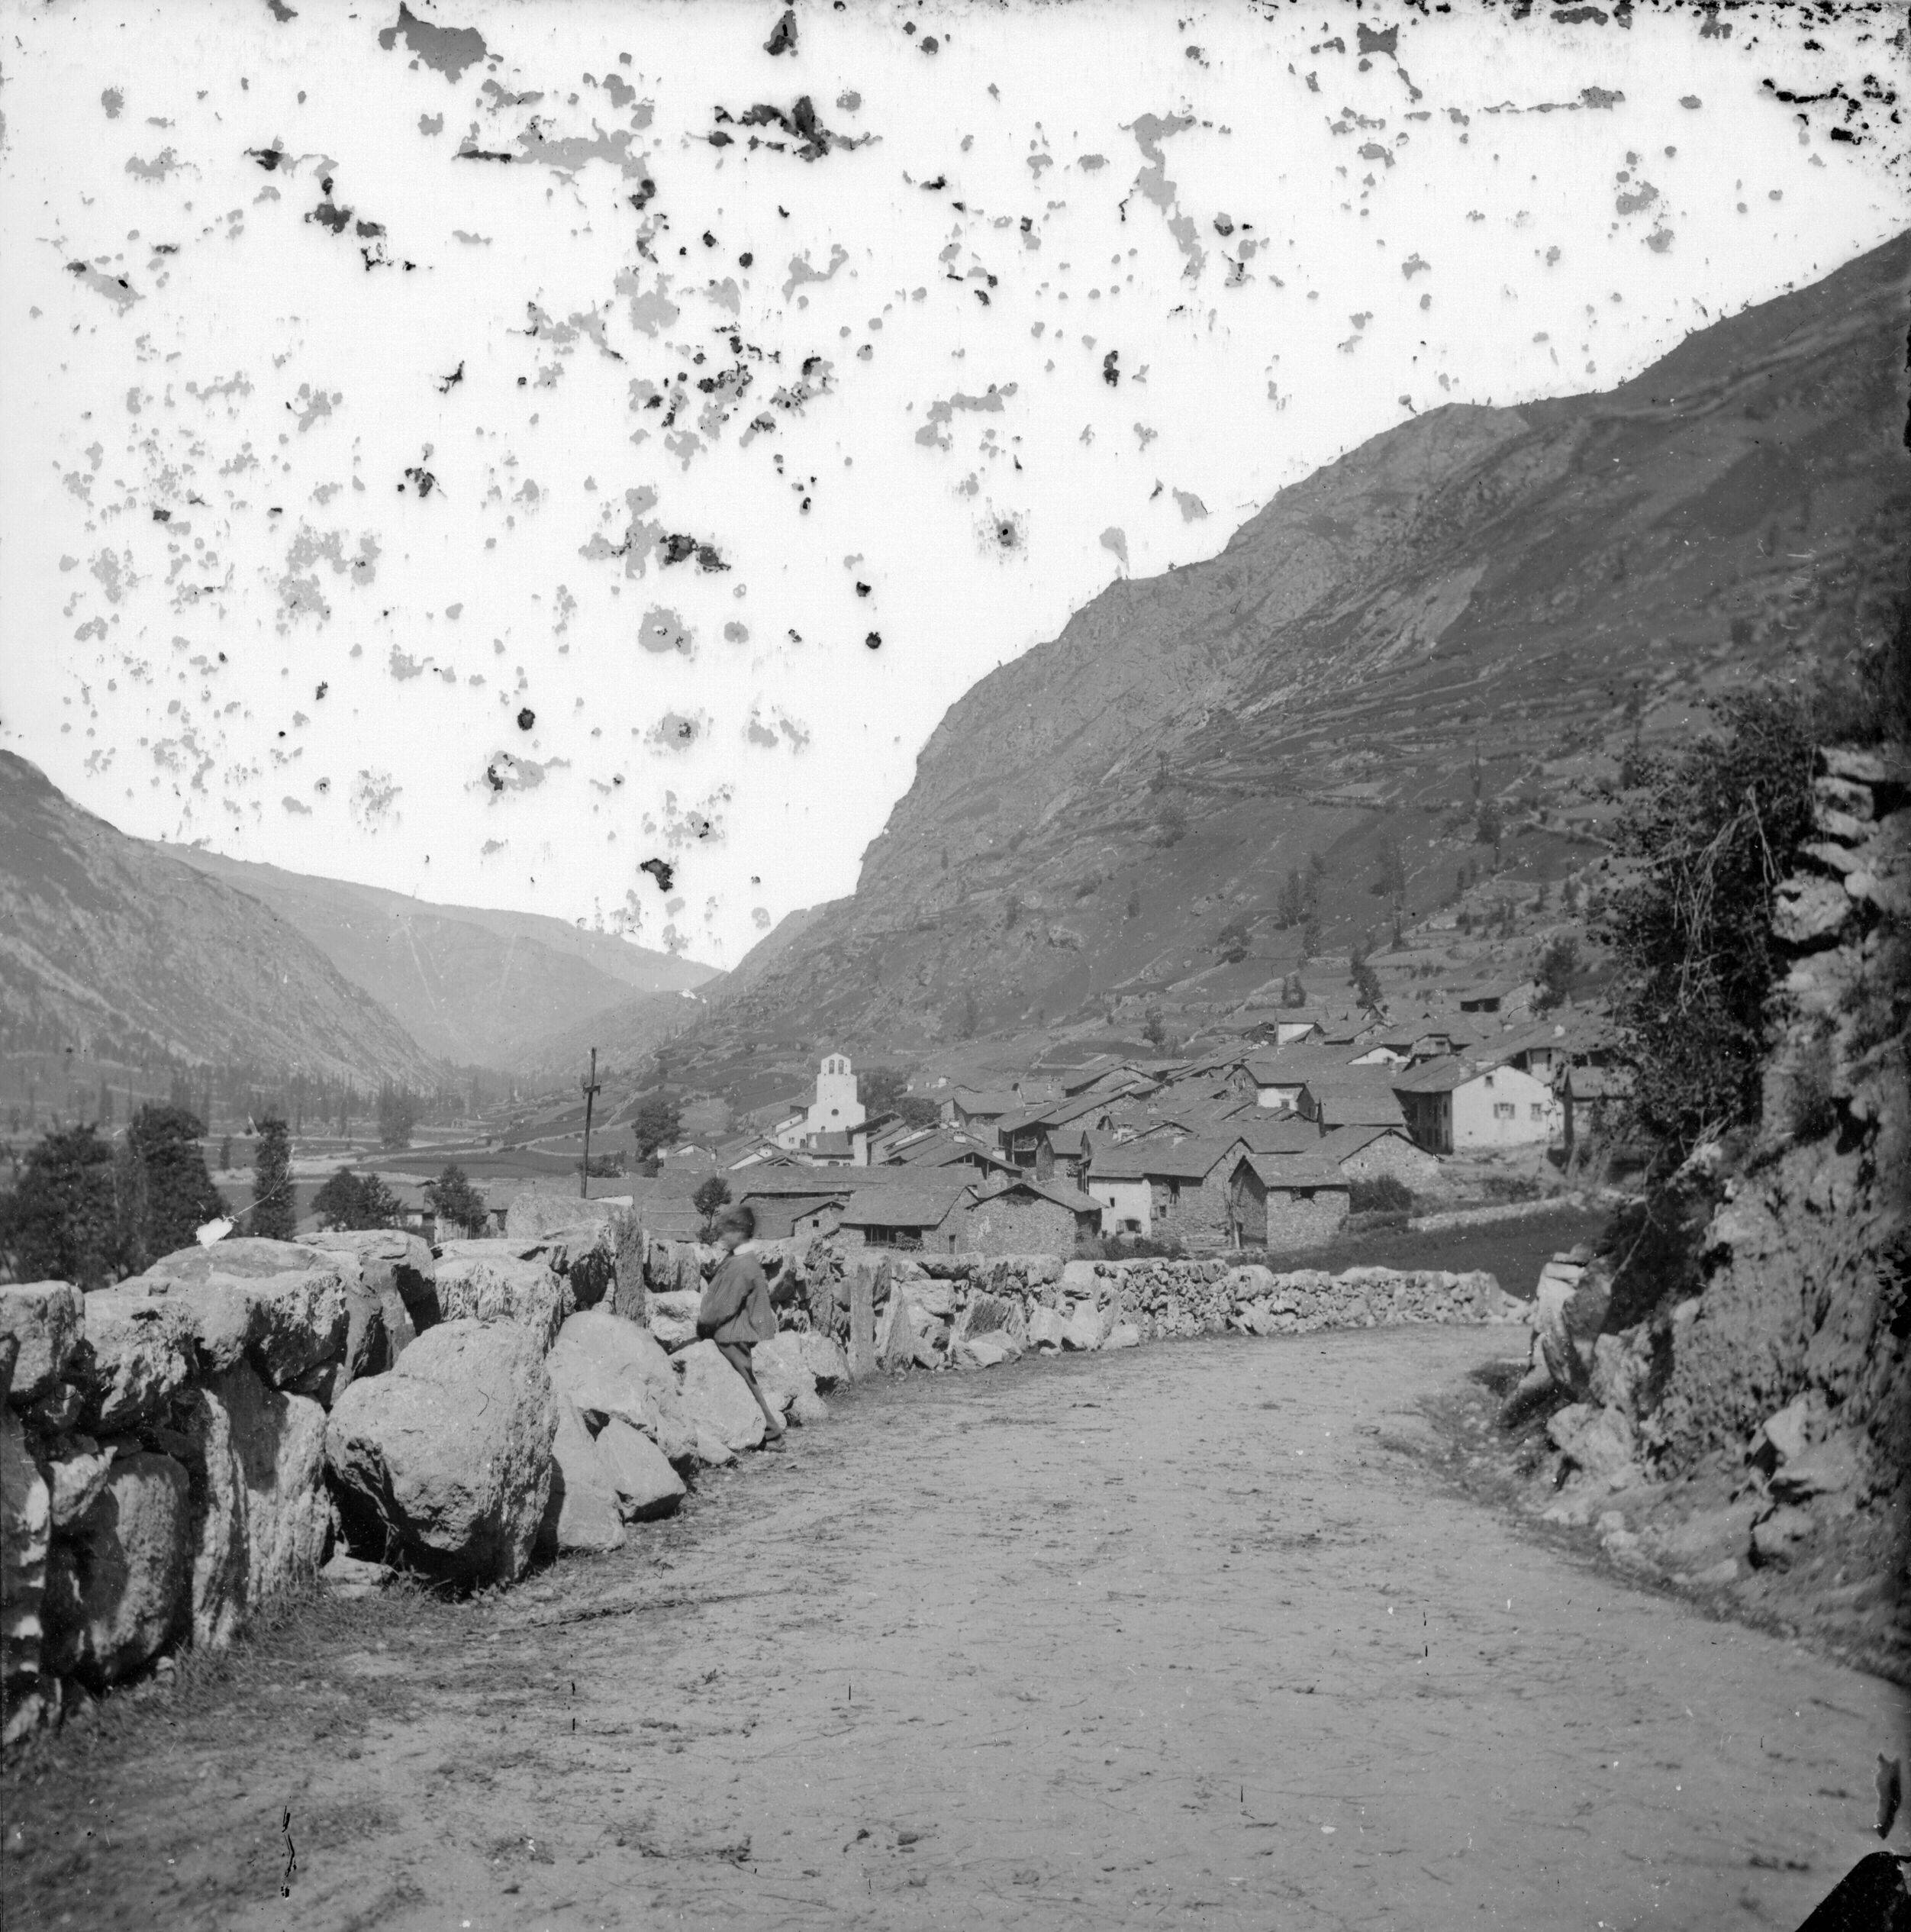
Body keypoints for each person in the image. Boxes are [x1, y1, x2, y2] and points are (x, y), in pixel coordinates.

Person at [696, 1204, 786, 1443]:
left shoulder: (741, 1265)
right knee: (744, 1378)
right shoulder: (742, 1258)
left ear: (738, 1233)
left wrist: (704, 1324)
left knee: (745, 1380)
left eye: (725, 1233)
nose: (722, 1238)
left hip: (732, 1333)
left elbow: (724, 1305)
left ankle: (771, 1431)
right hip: (738, 1330)